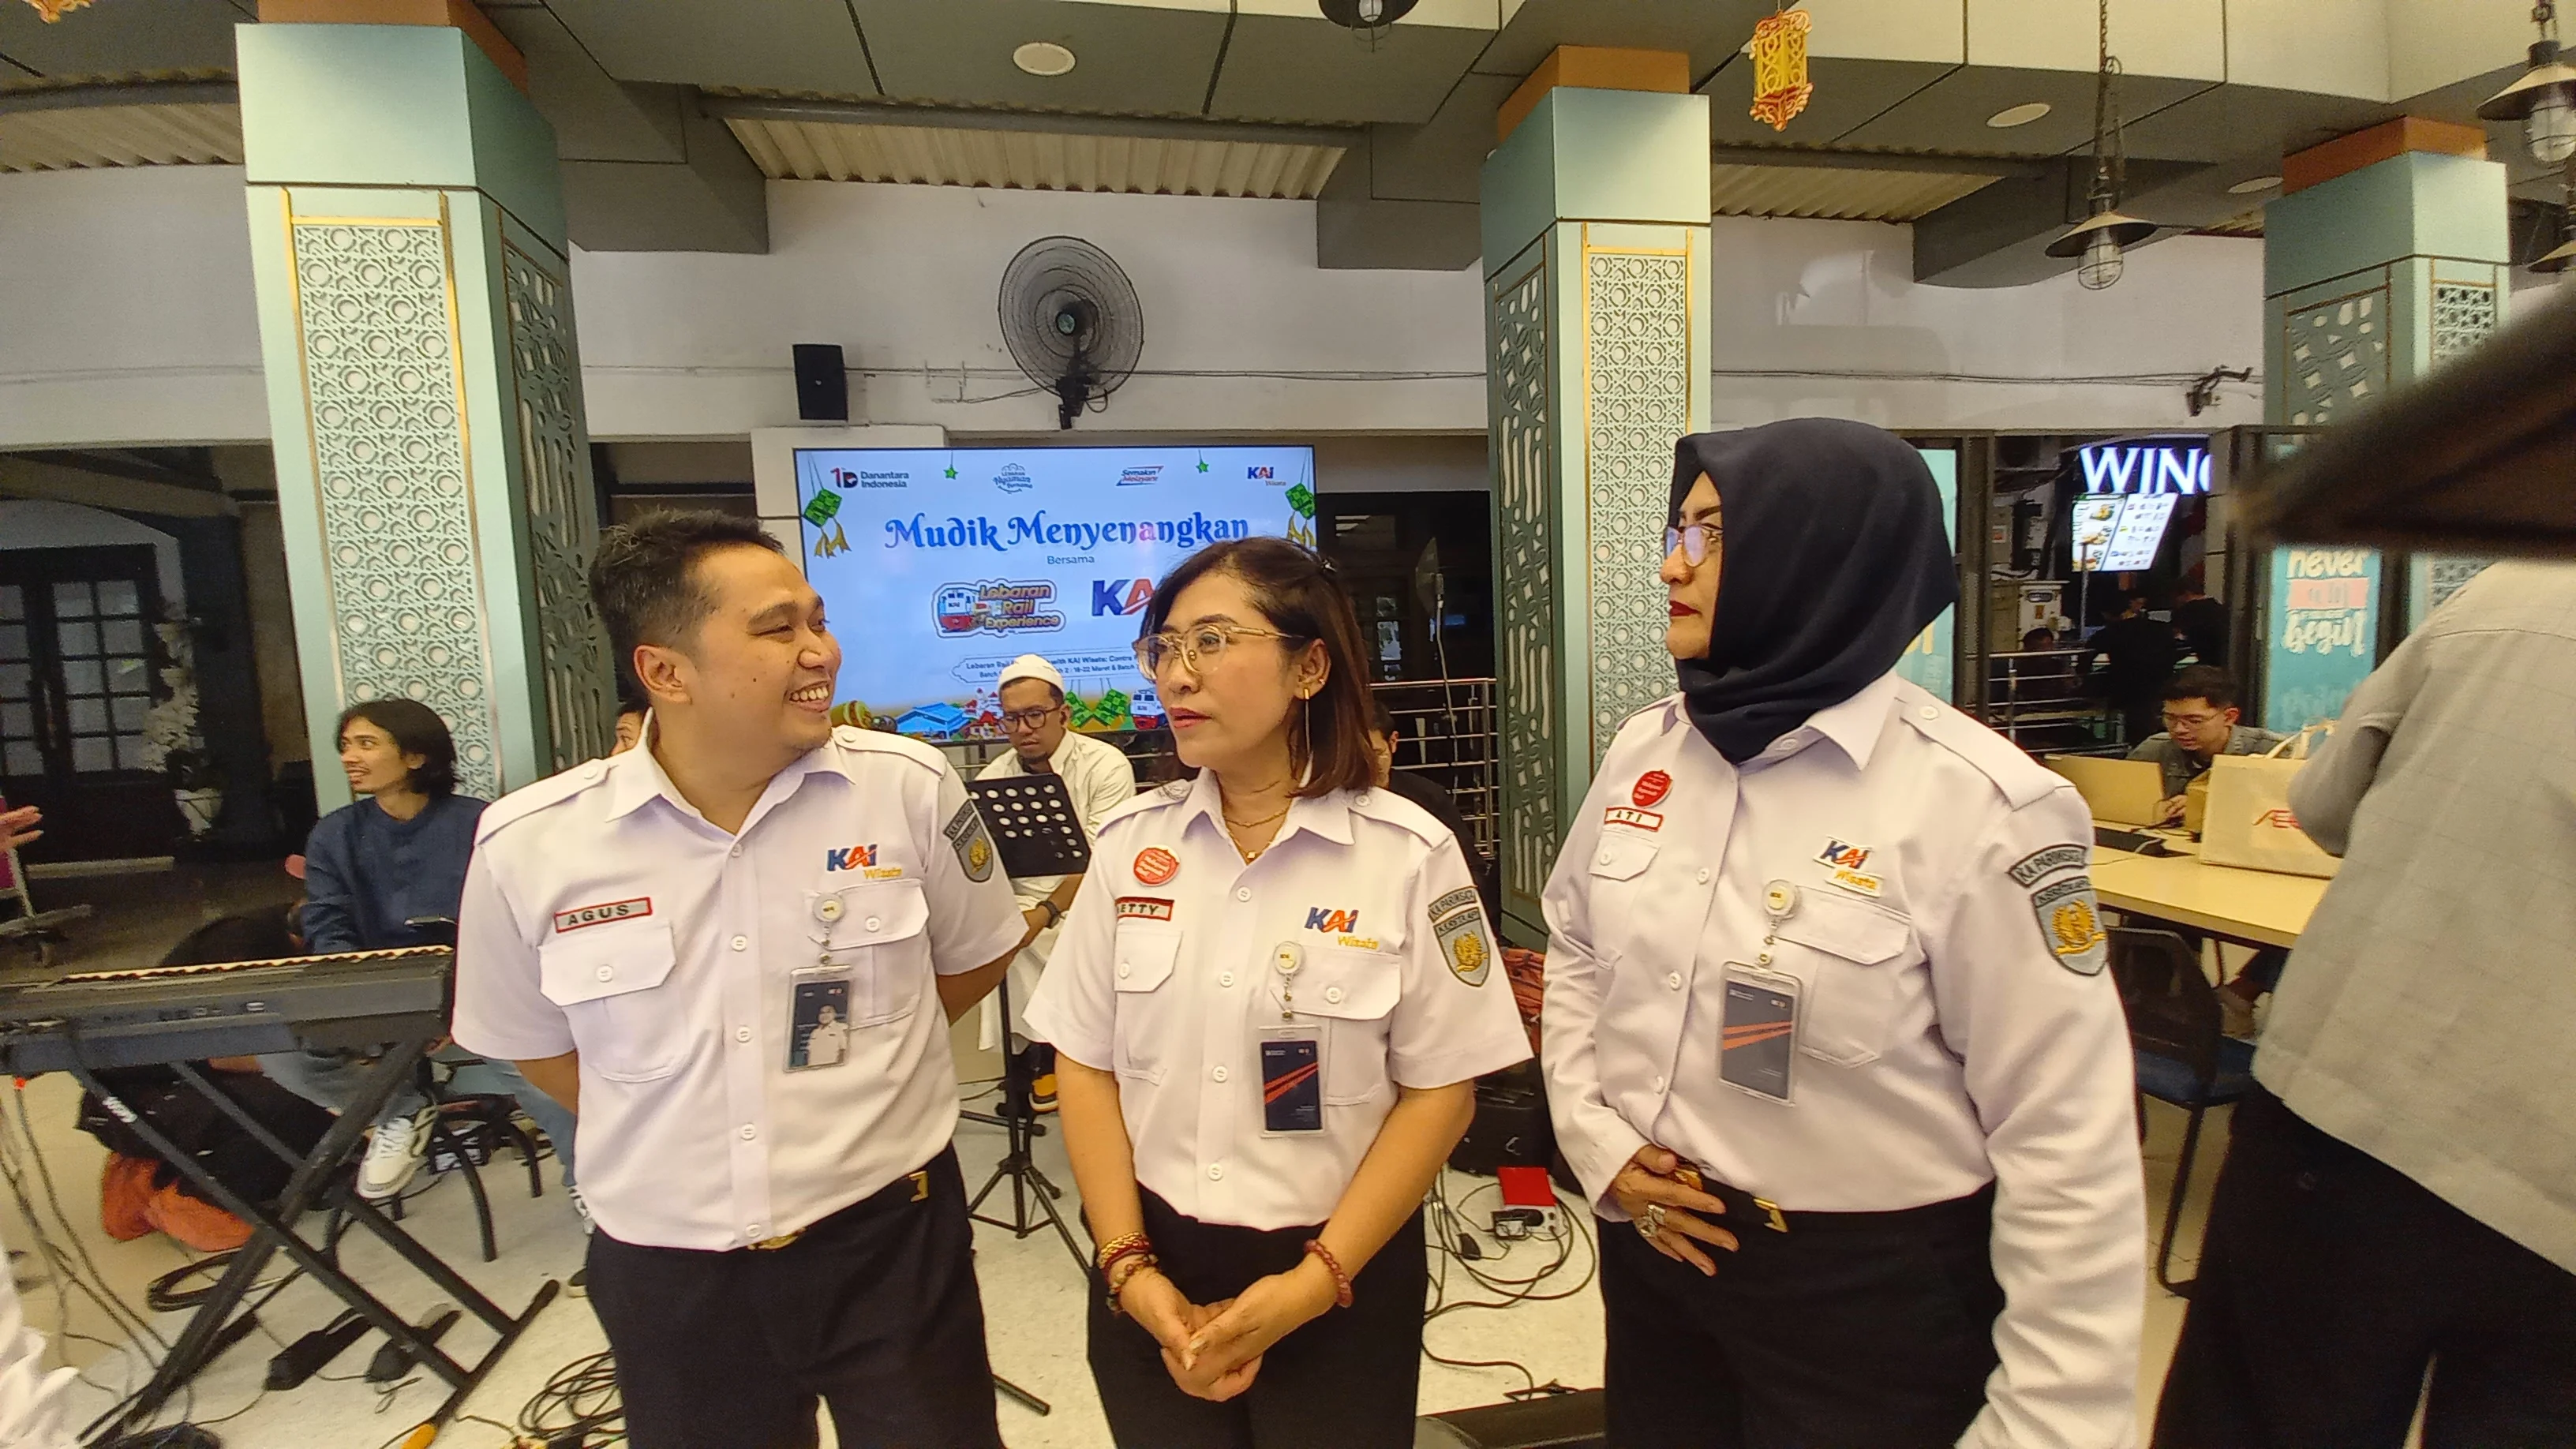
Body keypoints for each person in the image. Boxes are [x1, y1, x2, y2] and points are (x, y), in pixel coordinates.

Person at [1541, 419, 2145, 1448]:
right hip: (1661, 1254)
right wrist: (1600, 1147)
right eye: (1677, 529)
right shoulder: (1650, 750)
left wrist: (2051, 1420)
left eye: (1711, 534)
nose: (1671, 564)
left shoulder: (1979, 807)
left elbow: (2067, 1137)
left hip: (1868, 1298)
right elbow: (1578, 953)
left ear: (1819, 557)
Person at [453, 511, 1027, 1448]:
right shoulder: (531, 844)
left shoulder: (907, 788)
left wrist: (867, 1073)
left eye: (818, 620)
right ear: (665, 671)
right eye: (776, 629)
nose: (820, 652)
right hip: (671, 1269)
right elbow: (534, 1046)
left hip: (888, 1240)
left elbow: (976, 953)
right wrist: (683, 1111)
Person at [1024, 537, 1530, 1449]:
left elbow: (1442, 1091)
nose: (1176, 675)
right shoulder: (1132, 844)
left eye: (1211, 642)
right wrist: (1129, 1268)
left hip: (1340, 1269)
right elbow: (1086, 1064)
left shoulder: (1408, 854)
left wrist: (1311, 1283)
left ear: (1310, 667)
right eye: (1163, 648)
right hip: (1151, 1265)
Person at [2153, 561, 2576, 1449]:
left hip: (2364, 1106)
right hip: (2550, 1190)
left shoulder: (2516, 591)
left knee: (2271, 1413)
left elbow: (2323, 805)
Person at [256, 701, 576, 1204]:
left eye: (366, 744)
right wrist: (366, 999)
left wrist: (456, 1002)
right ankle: (401, 1111)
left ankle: (591, 1186)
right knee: (283, 1054)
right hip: (382, 993)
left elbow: (517, 919)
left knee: (548, 1076)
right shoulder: (334, 834)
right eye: (346, 745)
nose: (349, 757)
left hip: (481, 991)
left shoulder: (480, 823)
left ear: (415, 756)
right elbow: (327, 922)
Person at [977, 653, 1138, 1113]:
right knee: (1000, 933)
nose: (1023, 729)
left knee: (1060, 936)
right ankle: (1031, 1057)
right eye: (1012, 719)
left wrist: (1045, 913)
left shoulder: (1105, 765)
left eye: (1035, 715)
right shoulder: (993, 777)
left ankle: (1057, 1053)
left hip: (1092, 897)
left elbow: (1103, 862)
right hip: (1023, 903)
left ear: (1063, 714)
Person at [1363, 698, 1498, 919]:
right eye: (1359, 756)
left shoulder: (1428, 797)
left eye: (1376, 754)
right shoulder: (1331, 801)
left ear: (1393, 742)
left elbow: (1469, 864)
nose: (1368, 765)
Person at [2128, 666, 2286, 826]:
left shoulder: (2272, 751)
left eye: (2194, 721)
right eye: (2170, 718)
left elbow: (2286, 814)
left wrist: (2210, 807)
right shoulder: (2154, 749)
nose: (2179, 729)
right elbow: (2125, 803)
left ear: (2229, 717)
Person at [2089, 590, 2180, 747]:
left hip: (2128, 689)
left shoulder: (2109, 633)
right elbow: (2177, 650)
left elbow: (2087, 656)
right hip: (2162, 684)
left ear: (2106, 614)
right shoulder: (2161, 628)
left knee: (2138, 731)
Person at [2172, 582, 2229, 668]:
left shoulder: (2186, 611)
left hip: (2203, 661)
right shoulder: (2219, 608)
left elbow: (2177, 636)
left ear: (2186, 593)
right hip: (2222, 660)